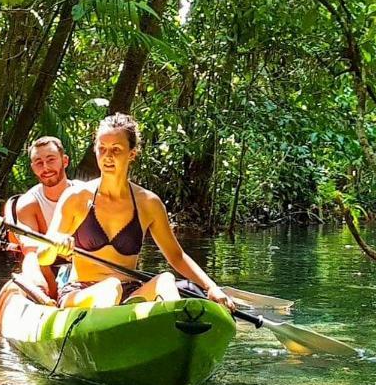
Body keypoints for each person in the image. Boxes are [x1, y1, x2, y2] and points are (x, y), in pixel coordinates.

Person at [37, 113, 235, 312]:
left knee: (165, 280)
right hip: (80, 292)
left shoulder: (148, 203)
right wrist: (55, 245)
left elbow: (176, 256)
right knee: (110, 287)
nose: (108, 157)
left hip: (129, 292)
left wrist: (211, 287)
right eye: (102, 149)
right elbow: (42, 257)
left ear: (132, 153)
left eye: (116, 150)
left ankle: (176, 329)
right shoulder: (76, 197)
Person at [4, 136, 78, 299]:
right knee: (32, 257)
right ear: (33, 168)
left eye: (51, 160)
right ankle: (41, 295)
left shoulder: (84, 194)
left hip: (83, 262)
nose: (45, 168)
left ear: (64, 161)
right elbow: (32, 251)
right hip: (45, 262)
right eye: (38, 162)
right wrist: (50, 293)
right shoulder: (28, 203)